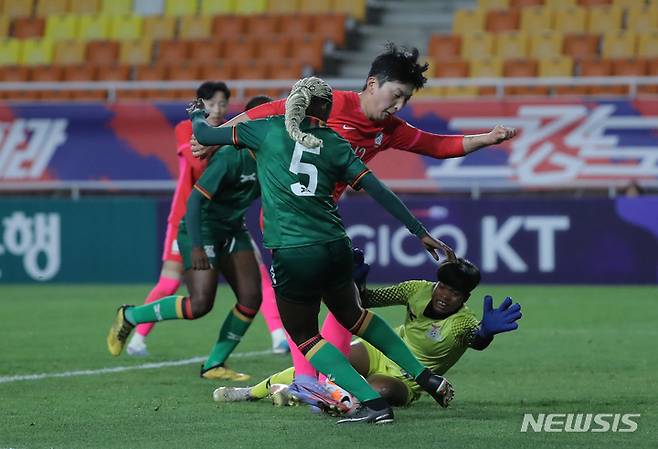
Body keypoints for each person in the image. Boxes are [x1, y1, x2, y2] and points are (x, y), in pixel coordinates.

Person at [191, 43, 518, 389]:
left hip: (325, 225)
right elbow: (261, 115)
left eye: (406, 99)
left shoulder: (390, 129)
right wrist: (216, 140)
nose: (399, 106)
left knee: (337, 308)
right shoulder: (327, 105)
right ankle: (310, 383)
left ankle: (320, 385)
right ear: (373, 83)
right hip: (289, 224)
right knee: (327, 309)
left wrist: (488, 138)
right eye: (395, 95)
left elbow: (436, 145)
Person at [181, 76, 462, 424]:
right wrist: (419, 231)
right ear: (327, 112)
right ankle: (425, 376)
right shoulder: (335, 142)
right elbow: (379, 190)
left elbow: (206, 137)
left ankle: (373, 405)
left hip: (294, 251)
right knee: (357, 318)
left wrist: (196, 113)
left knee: (304, 335)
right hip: (335, 246)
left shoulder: (266, 131)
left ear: (292, 103)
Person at [107, 96, 279, 381]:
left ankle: (214, 364)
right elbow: (195, 202)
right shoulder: (229, 156)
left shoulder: (269, 157)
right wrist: (197, 245)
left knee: (251, 298)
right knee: (199, 305)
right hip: (203, 229)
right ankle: (130, 316)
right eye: (270, 122)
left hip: (233, 229)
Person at [213, 258, 522, 410]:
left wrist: (486, 334)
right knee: (332, 359)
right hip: (380, 351)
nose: (444, 295)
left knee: (380, 393)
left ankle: (307, 393)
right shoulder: (417, 290)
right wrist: (356, 284)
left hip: (408, 380)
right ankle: (253, 391)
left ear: (464, 299)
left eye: (454, 292)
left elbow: (475, 338)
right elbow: (367, 300)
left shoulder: (462, 322)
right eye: (443, 286)